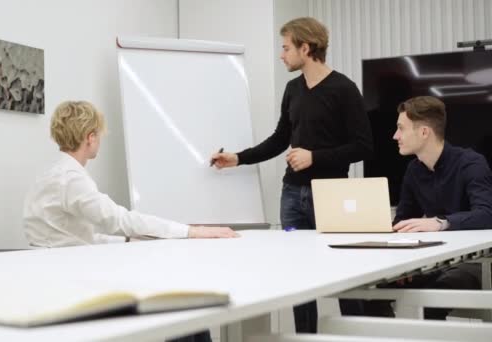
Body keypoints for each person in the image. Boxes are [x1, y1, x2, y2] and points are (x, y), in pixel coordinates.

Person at [24, 101, 239, 342]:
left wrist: (127, 240)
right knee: (179, 306)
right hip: (71, 282)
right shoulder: (71, 178)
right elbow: (118, 219)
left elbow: (71, 236)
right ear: (90, 137)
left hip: (61, 273)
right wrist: (192, 231)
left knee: (181, 305)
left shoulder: (54, 172)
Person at [211, 17, 373, 332]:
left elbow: (363, 147)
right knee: (299, 277)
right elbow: (280, 139)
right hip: (292, 197)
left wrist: (315, 157)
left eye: (286, 48)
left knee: (346, 273)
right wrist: (238, 158)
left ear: (306, 47)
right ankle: (305, 337)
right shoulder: (293, 88)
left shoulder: (344, 89)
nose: (281, 55)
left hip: (332, 198)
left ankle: (357, 335)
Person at [365, 95, 492, 319]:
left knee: (434, 296)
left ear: (424, 132)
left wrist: (440, 222)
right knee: (371, 292)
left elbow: (487, 214)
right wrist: (399, 264)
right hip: (431, 260)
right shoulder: (414, 170)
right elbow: (402, 221)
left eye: (401, 129)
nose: (395, 136)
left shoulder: (471, 163)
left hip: (474, 262)